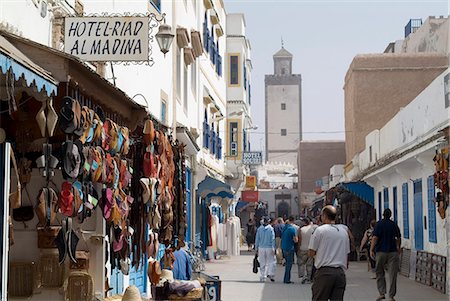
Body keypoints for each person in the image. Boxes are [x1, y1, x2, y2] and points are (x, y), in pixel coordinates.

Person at [308, 205, 351, 301]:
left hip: (324, 273)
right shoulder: (343, 231)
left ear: (324, 216)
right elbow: (347, 253)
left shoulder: (320, 230)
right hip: (340, 273)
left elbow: (311, 252)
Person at [370, 209, 401, 301]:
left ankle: (382, 293)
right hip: (392, 252)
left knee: (379, 272)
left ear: (383, 215)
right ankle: (391, 296)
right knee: (392, 274)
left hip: (381, 252)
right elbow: (398, 237)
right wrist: (398, 247)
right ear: (390, 215)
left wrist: (371, 249)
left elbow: (375, 238)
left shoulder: (379, 224)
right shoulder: (393, 224)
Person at [255, 216, 276, 282]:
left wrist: (256, 248)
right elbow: (273, 239)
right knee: (270, 261)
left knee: (262, 262)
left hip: (261, 247)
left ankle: (263, 276)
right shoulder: (271, 229)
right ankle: (270, 273)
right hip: (269, 247)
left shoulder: (259, 229)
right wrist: (273, 247)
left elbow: (257, 239)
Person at [298, 217, 318, 284]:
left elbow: (299, 240)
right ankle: (308, 278)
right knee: (309, 264)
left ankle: (302, 276)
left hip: (302, 249)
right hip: (310, 249)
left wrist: (299, 247)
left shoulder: (301, 229)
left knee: (301, 263)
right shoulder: (313, 229)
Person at [281, 216, 298, 284]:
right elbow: (296, 240)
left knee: (287, 263)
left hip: (284, 247)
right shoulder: (292, 229)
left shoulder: (284, 228)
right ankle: (286, 279)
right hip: (289, 248)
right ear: (293, 221)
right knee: (289, 265)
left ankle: (286, 278)